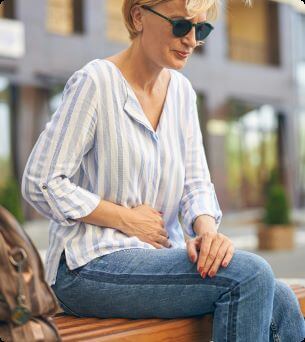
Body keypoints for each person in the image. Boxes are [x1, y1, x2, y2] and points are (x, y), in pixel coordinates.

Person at [21, 0, 305, 340]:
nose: (191, 41)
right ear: (139, 16)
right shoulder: (95, 83)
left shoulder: (182, 93)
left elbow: (196, 183)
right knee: (249, 274)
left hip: (156, 258)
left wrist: (207, 233)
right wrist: (125, 218)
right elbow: (41, 181)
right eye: (180, 25)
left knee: (283, 298)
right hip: (88, 266)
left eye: (201, 29)